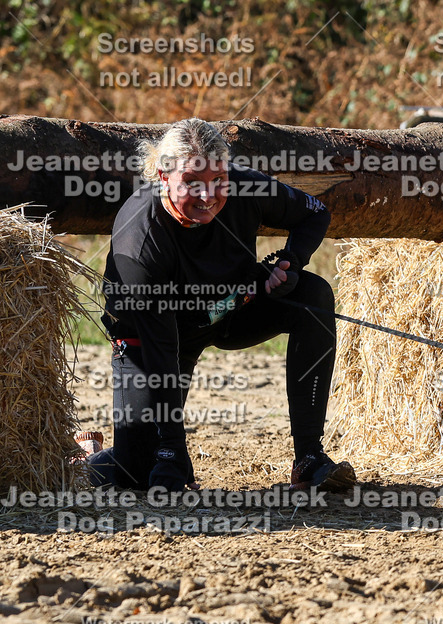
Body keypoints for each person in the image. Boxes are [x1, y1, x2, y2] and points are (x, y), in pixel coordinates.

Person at [83, 118, 354, 493]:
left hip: (228, 310)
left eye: (217, 181)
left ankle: (310, 459)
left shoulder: (243, 185)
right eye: (192, 183)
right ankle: (84, 458)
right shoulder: (140, 240)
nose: (208, 196)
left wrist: (289, 263)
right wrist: (172, 452)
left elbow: (314, 213)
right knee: (136, 473)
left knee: (313, 296)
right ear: (163, 176)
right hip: (151, 340)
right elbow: (161, 350)